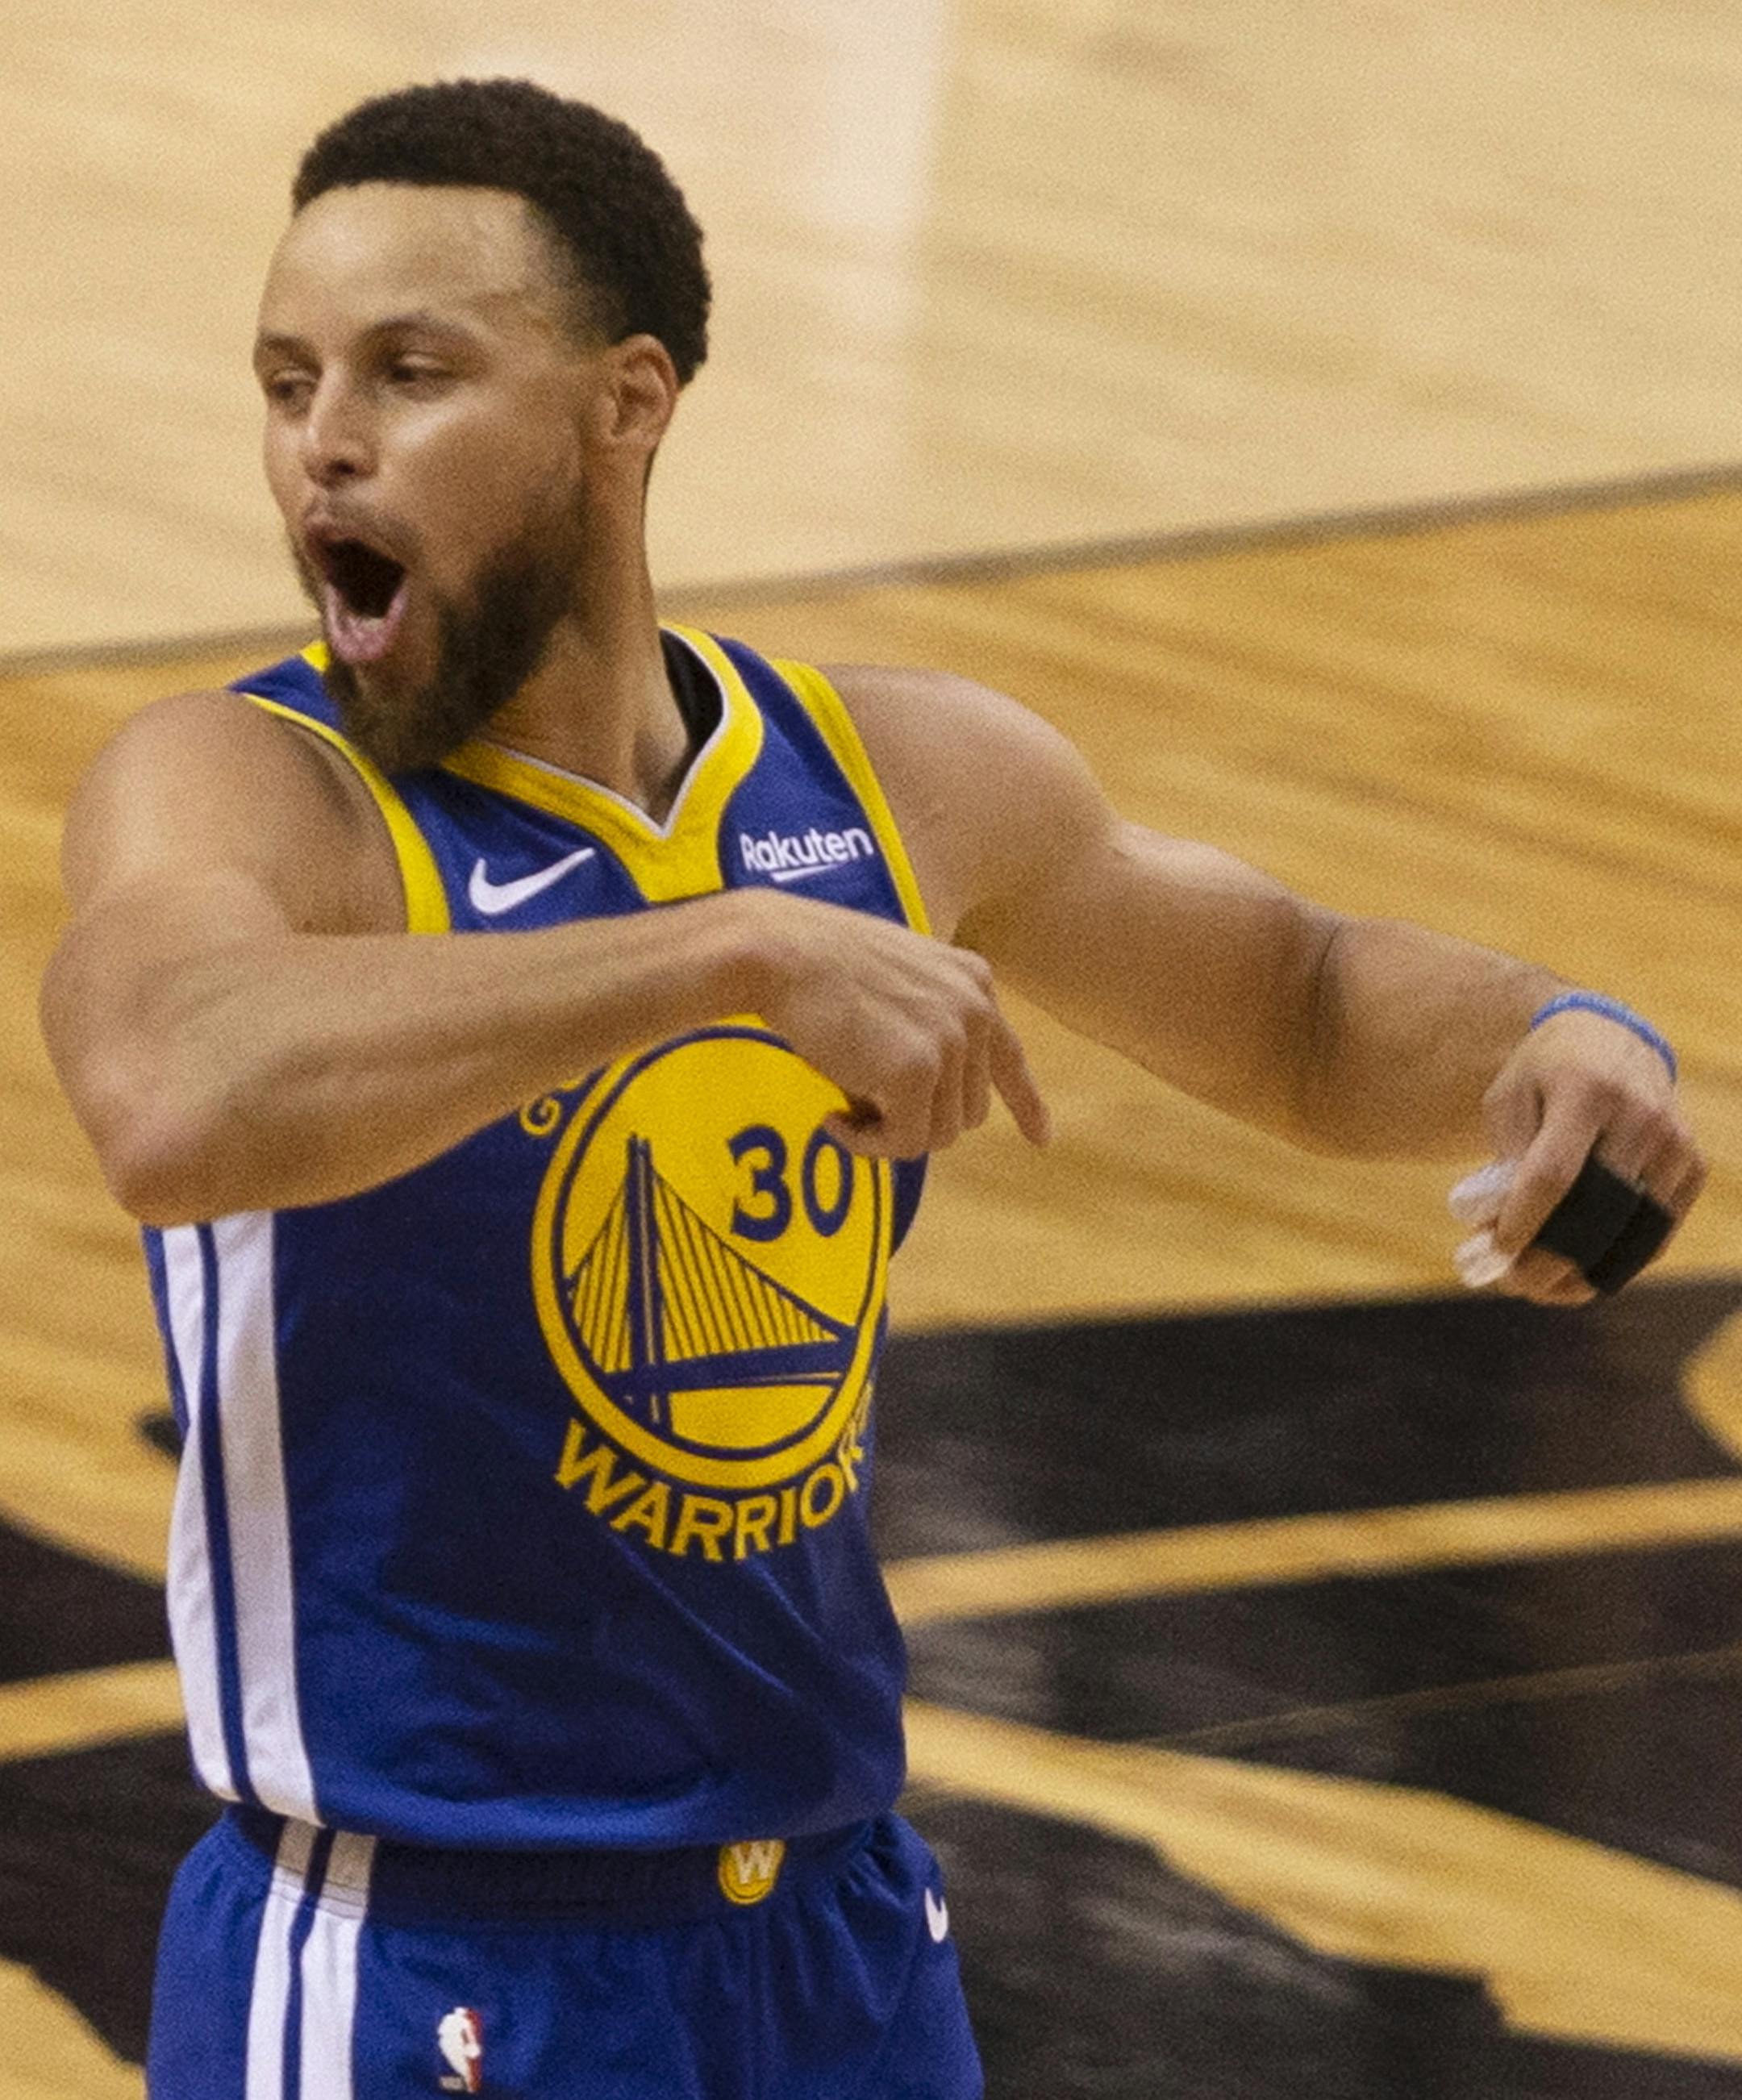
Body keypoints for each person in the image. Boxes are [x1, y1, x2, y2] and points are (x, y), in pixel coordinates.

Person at [40, 77, 1702, 2100]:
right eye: (289, 380)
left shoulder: (885, 778)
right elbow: (166, 1092)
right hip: (418, 1956)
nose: (326, 440)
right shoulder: (253, 793)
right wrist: (718, 955)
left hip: (828, 1932)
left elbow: (1301, 1000)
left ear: (624, 406)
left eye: (411, 371)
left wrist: (1563, 1031)